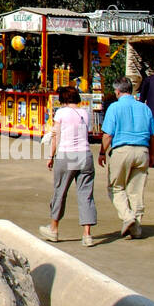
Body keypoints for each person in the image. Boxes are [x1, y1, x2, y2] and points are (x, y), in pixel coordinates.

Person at [98, 78, 154, 238]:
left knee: (116, 187)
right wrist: (152, 155)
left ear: (117, 91)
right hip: (142, 151)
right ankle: (136, 229)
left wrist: (102, 152)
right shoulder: (144, 108)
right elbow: (153, 136)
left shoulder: (114, 107)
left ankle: (127, 216)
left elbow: (108, 135)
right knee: (136, 191)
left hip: (121, 151)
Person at [39, 86, 97, 247]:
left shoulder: (61, 113)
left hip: (67, 154)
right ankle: (87, 234)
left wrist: (51, 156)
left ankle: (54, 229)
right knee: (86, 194)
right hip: (85, 155)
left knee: (60, 192)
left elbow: (56, 136)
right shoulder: (84, 112)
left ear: (63, 99)